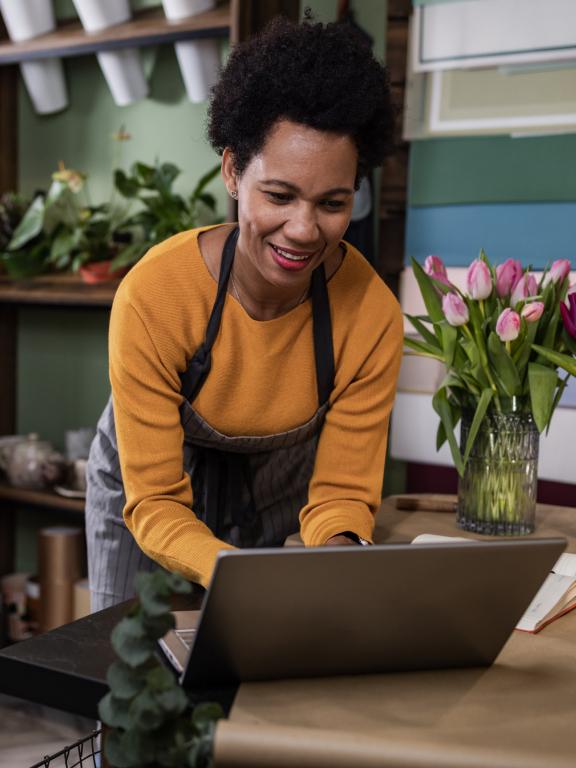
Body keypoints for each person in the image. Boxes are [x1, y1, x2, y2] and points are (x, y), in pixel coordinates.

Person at [86, 17, 404, 612]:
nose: (304, 230)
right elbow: (155, 502)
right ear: (233, 171)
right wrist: (237, 573)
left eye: (332, 204)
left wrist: (339, 550)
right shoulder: (156, 296)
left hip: (282, 483)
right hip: (148, 494)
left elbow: (339, 493)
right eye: (279, 196)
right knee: (129, 680)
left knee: (262, 679)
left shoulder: (371, 316)